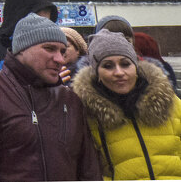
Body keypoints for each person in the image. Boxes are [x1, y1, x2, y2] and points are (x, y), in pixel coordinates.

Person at [0, 13, 100, 181]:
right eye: (49, 49)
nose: (59, 59)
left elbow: (88, 170)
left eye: (63, 51)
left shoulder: (69, 99)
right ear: (22, 49)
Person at [73, 31, 181, 180]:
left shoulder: (171, 103)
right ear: (97, 73)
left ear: (136, 66)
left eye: (125, 64)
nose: (119, 72)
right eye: (108, 66)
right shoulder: (87, 114)